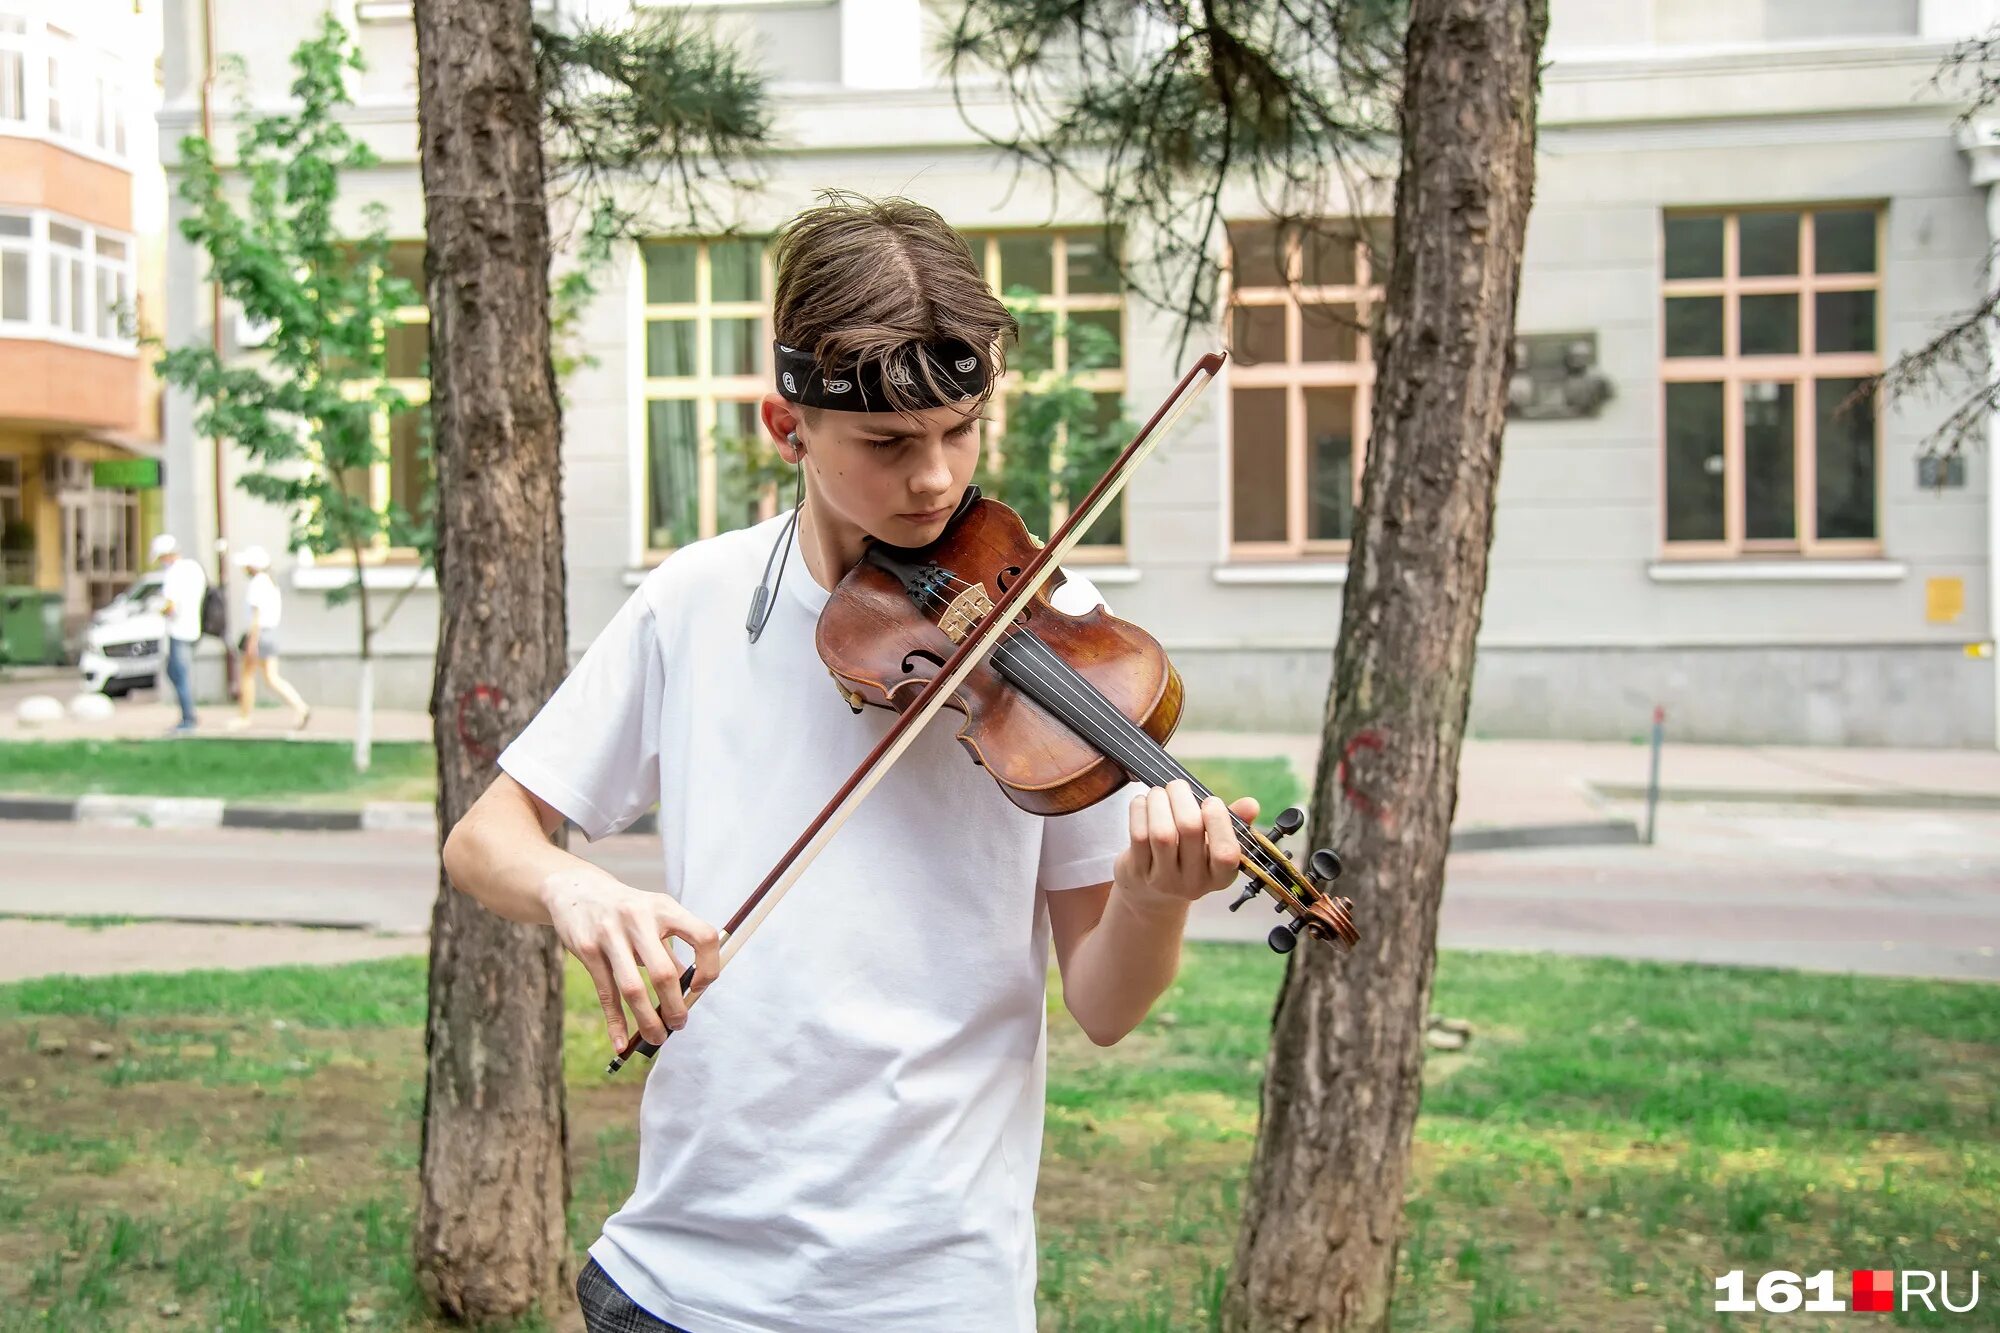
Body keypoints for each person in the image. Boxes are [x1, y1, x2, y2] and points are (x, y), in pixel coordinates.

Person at [442, 194, 1258, 1333]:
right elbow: (485, 841)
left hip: (931, 1289)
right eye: (886, 442)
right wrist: (573, 883)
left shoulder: (1065, 636)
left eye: (960, 429)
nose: (932, 479)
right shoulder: (697, 600)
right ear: (786, 426)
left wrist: (1150, 901)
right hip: (679, 1281)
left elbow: (1106, 1004)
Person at [228, 545, 311, 731]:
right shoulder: (270, 583)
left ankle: (245, 716)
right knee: (271, 677)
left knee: (247, 676)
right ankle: (300, 707)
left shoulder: (258, 583)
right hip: (271, 633)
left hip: (260, 634)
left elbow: (256, 616)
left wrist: (252, 641)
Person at [152, 533, 206, 735]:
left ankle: (188, 718)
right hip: (194, 628)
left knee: (179, 674)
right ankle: (189, 710)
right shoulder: (194, 568)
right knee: (176, 671)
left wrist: (159, 609)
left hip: (179, 631)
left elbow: (171, 606)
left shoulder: (174, 574)